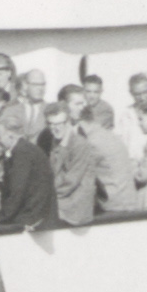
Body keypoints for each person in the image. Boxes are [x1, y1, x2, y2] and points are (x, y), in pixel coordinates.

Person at [0, 107, 58, 229]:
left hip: (33, 218)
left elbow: (17, 192)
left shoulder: (22, 154)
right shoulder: (22, 150)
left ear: (10, 136)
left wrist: (1, 218)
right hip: (32, 212)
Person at [47, 90, 99, 227]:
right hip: (63, 198)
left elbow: (71, 181)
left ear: (68, 121)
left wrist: (47, 194)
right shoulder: (56, 142)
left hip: (76, 205)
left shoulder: (79, 144)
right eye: (51, 124)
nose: (55, 128)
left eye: (60, 123)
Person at [83, 103, 140, 215]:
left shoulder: (92, 141)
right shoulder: (110, 136)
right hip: (129, 200)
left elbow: (81, 172)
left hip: (113, 205)